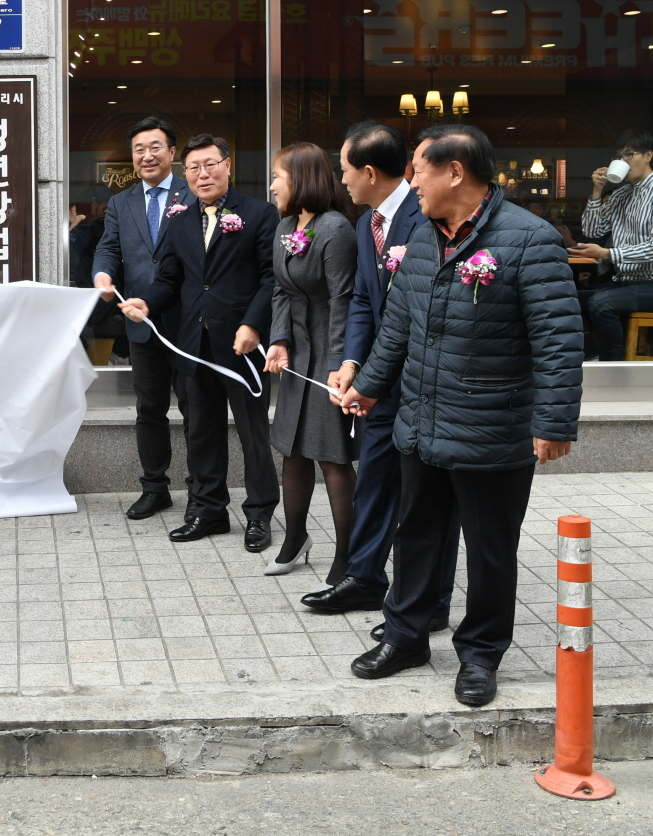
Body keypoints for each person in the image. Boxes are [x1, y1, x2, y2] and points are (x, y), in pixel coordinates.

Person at [341, 124, 583, 708]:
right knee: (416, 532)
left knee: (489, 547)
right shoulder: (425, 236)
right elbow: (397, 323)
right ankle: (406, 637)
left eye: (420, 169)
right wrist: (369, 388)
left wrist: (552, 423)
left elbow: (559, 340)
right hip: (421, 422)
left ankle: (480, 653)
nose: (413, 180)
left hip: (491, 426)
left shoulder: (529, 239)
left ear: (456, 172)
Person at [310, 122, 459, 643]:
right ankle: (366, 577)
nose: (342, 181)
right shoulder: (365, 223)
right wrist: (352, 362)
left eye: (346, 171)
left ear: (369, 171)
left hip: (418, 380)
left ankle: (432, 600)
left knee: (426, 498)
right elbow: (362, 303)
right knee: (374, 480)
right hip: (375, 380)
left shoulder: (429, 217)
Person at [117, 133, 280, 549]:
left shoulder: (260, 214)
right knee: (202, 431)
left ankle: (260, 515)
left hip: (241, 342)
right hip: (194, 342)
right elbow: (170, 280)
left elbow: (269, 279)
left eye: (210, 164)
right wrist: (146, 303)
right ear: (184, 173)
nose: (202, 174)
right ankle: (209, 511)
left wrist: (254, 325)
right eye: (194, 168)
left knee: (252, 433)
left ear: (228, 165)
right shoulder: (180, 219)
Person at [91, 116, 199, 523]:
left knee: (195, 409)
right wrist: (102, 275)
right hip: (140, 321)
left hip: (188, 321)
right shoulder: (122, 202)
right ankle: (155, 488)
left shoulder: (195, 193)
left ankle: (199, 489)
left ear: (173, 153)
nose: (147, 155)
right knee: (149, 409)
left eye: (155, 147)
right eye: (139, 149)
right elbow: (108, 249)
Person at [261, 143, 359, 580]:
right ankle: (295, 538)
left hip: (330, 354)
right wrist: (278, 340)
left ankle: (349, 555)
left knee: (333, 456)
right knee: (293, 450)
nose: (271, 185)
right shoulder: (286, 224)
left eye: (277, 176)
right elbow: (282, 290)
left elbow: (344, 301)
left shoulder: (335, 229)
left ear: (300, 178)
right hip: (298, 353)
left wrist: (340, 363)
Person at [573, 130, 653, 360]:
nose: (623, 161)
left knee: (601, 304)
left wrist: (606, 253)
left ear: (648, 156)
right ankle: (591, 357)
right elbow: (592, 231)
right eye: (619, 156)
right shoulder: (621, 194)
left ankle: (613, 369)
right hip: (626, 284)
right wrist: (597, 191)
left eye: (629, 155)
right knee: (569, 301)